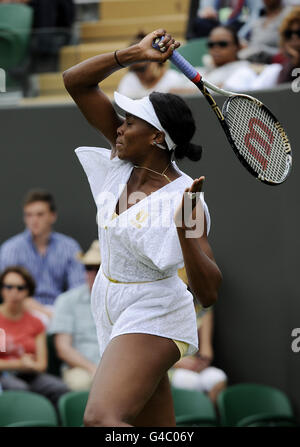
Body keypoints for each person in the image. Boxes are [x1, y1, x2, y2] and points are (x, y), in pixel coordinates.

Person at [63, 29, 222, 427]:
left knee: (102, 419)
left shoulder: (184, 197)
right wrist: (134, 54)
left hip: (155, 309)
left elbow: (208, 291)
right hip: (109, 303)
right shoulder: (123, 159)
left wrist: (185, 228)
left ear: (155, 137)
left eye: (130, 121)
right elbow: (75, 81)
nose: (119, 126)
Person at [0, 189, 86, 319]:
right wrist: (46, 314)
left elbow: (78, 291)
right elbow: (9, 292)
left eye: (40, 214)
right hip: (23, 312)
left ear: (53, 216)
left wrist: (61, 313)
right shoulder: (11, 249)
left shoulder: (70, 247)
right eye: (29, 215)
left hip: (62, 311)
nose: (34, 220)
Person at [0, 266, 70, 406]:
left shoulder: (36, 322)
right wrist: (19, 364)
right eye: (8, 287)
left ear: (28, 291)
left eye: (20, 288)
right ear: (2, 289)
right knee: (20, 390)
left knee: (60, 389)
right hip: (4, 375)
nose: (14, 292)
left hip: (31, 374)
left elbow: (42, 364)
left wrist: (30, 366)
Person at [49, 240, 101, 391]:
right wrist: (93, 368)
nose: (92, 273)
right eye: (88, 268)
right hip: (81, 368)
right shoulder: (67, 300)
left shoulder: (123, 300)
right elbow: (63, 348)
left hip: (117, 367)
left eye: (98, 268)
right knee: (81, 382)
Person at [117, 32, 185, 99]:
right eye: (135, 70)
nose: (139, 74)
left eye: (142, 69)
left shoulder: (173, 79)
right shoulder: (129, 79)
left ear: (155, 61)